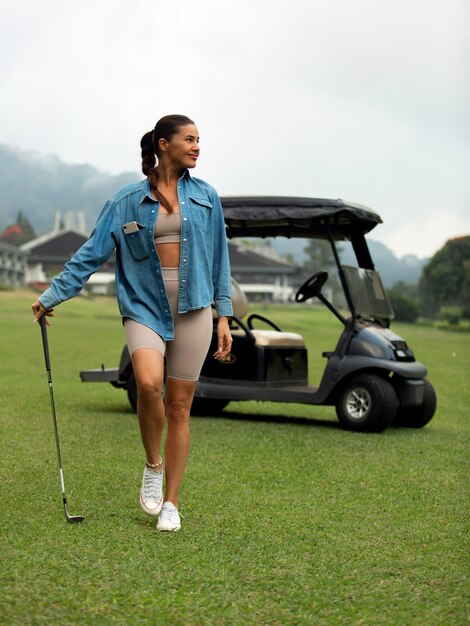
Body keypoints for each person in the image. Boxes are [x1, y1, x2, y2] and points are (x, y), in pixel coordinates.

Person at [32, 114, 233, 532]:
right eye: (190, 139)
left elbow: (220, 261)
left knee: (179, 406)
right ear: (164, 144)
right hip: (144, 308)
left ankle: (172, 504)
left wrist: (223, 317)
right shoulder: (124, 201)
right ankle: (152, 463)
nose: (197, 147)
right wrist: (52, 296)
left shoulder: (207, 197)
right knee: (146, 383)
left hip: (195, 309)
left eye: (199, 140)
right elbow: (90, 254)